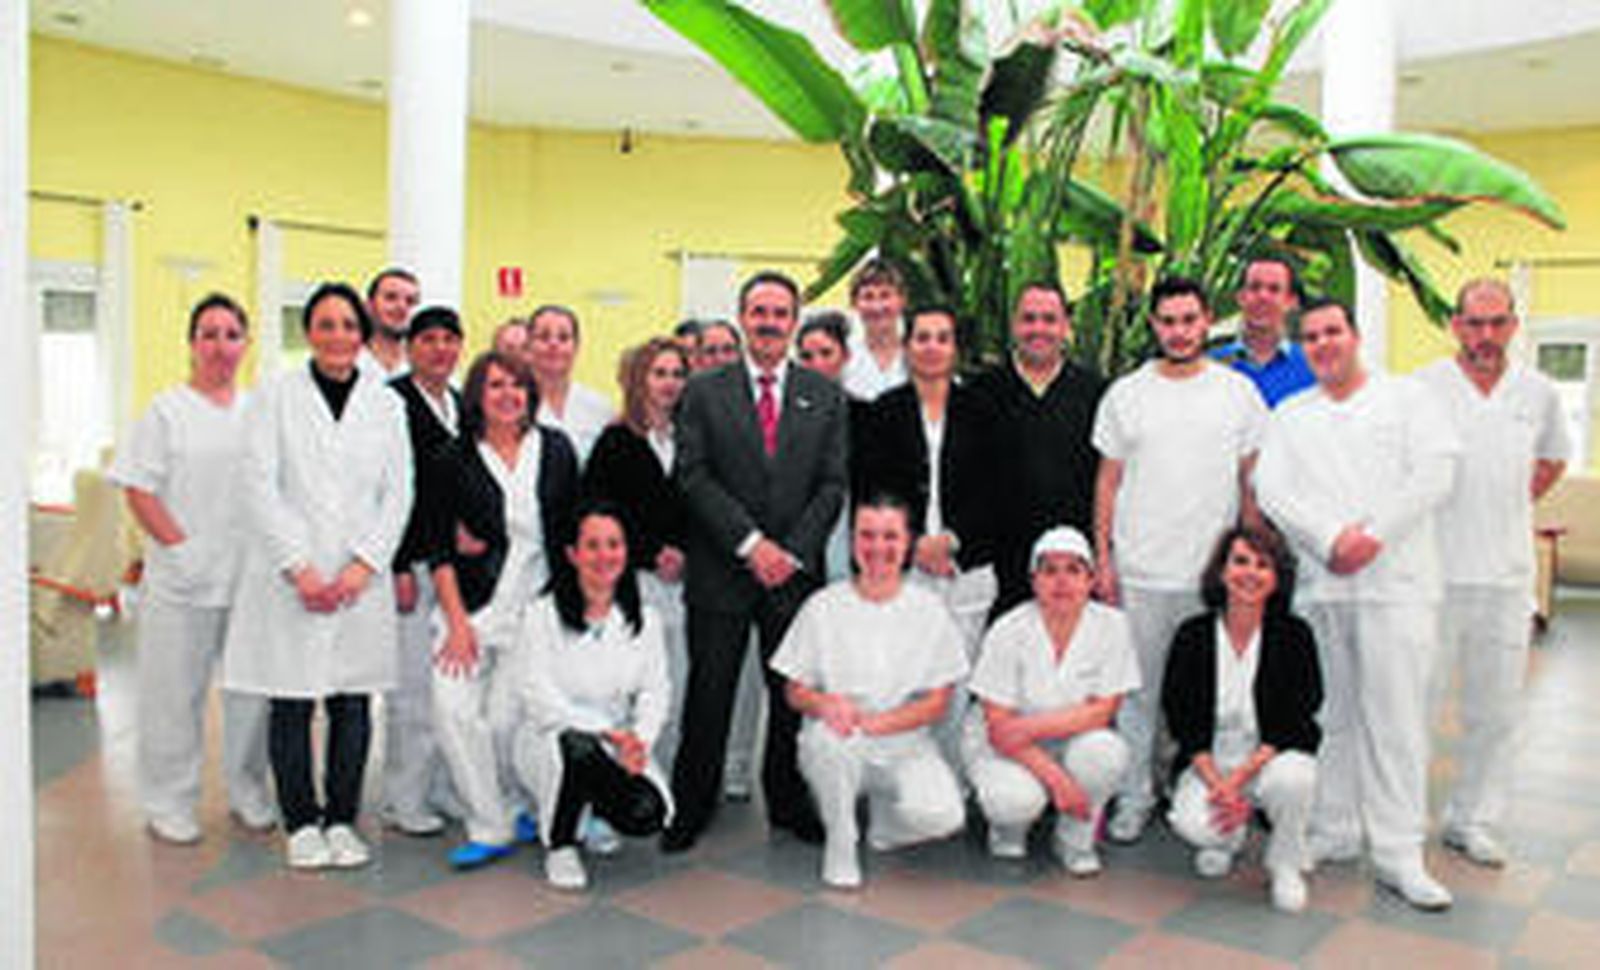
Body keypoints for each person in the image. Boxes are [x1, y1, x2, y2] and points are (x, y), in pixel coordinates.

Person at [1254, 298, 1460, 911]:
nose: (1323, 344)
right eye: (1311, 337)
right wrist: (1328, 539)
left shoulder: (1408, 400)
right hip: (1325, 584)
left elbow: (1435, 474)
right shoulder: (1292, 415)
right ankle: (1336, 828)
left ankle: (1399, 852)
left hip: (1396, 585)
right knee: (1332, 716)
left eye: (1332, 332)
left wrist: (1371, 536)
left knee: (1394, 721)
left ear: (1356, 335)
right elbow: (1272, 488)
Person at [223, 282, 412, 869]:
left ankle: (342, 819)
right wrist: (298, 566)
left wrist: (363, 564)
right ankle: (302, 821)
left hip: (360, 580)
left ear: (363, 333)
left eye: (348, 325)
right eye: (326, 325)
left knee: (354, 705)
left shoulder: (387, 403)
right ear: (309, 332)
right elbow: (257, 484)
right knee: (292, 703)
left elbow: (398, 492)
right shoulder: (274, 396)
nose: (338, 336)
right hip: (292, 579)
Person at [662, 270, 849, 853]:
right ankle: (692, 805)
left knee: (790, 699)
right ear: (743, 318)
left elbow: (832, 483)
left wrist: (789, 552)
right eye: (759, 311)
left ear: (793, 322)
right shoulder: (703, 390)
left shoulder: (825, 394)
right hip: (722, 570)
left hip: (793, 578)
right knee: (709, 695)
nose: (769, 322)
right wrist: (751, 544)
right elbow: (691, 475)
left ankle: (788, 803)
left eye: (779, 312)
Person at [1092, 277, 1268, 843]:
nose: (1179, 331)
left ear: (1206, 320)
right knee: (1138, 693)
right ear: (1154, 325)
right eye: (1168, 321)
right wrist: (1104, 557)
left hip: (1211, 574)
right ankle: (1134, 797)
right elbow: (1107, 482)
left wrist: (1248, 563)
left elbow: (1250, 484)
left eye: (1189, 320)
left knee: (1209, 693)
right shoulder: (1126, 394)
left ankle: (1203, 791)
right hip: (1141, 568)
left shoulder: (1237, 393)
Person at [1416, 278, 1570, 868]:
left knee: (1495, 710)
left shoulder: (1537, 392)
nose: (1485, 336)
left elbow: (1553, 459)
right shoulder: (1424, 389)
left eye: (1497, 323)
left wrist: (1510, 503)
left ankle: (1473, 820)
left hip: (1507, 578)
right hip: (1434, 576)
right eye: (1474, 324)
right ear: (1455, 324)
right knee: (1418, 706)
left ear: (1513, 325)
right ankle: (1403, 821)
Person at [110, 293, 274, 844]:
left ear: (246, 344)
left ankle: (248, 790)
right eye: (209, 333)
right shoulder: (166, 411)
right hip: (182, 579)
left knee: (251, 695)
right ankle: (168, 801)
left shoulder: (258, 411)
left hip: (249, 577)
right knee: (172, 696)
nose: (221, 345)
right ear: (192, 343)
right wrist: (182, 550)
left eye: (232, 334)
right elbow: (139, 489)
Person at [426, 351, 580, 869]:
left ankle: (517, 807)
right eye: (495, 385)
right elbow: (440, 549)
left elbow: (572, 532)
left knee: (504, 721)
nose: (508, 394)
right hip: (469, 606)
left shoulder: (555, 450)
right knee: (452, 707)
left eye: (517, 385)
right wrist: (457, 625)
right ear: (477, 395)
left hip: (536, 608)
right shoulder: (453, 457)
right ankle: (488, 825)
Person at [771, 495, 968, 888]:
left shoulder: (928, 609)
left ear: (908, 542)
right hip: (840, 737)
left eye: (890, 536)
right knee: (832, 744)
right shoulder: (823, 606)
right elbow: (793, 689)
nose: (878, 547)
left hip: (904, 741)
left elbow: (937, 702)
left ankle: (887, 822)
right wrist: (825, 703)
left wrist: (876, 724)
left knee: (945, 817)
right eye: (867, 536)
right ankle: (841, 843)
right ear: (851, 541)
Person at [1161, 526, 1322, 913]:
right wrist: (1221, 785)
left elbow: (1300, 715)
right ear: (1221, 570)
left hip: (1269, 759)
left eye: (1263, 565)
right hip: (1209, 765)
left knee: (1295, 779)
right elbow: (1180, 716)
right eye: (1240, 561)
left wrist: (1238, 782)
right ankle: (1227, 839)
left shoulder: (1295, 635)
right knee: (1193, 825)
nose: (1250, 573)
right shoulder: (1193, 635)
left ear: (1277, 577)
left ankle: (1284, 863)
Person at [514, 503, 673, 890]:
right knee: (578, 746)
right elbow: (536, 694)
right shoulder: (540, 615)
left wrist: (640, 739)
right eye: (593, 546)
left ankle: (596, 807)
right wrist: (605, 732)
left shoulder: (645, 619)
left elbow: (656, 689)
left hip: (621, 742)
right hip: (552, 736)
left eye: (614, 544)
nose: (605, 556)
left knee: (648, 813)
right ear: (573, 554)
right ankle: (562, 842)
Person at [859, 305, 996, 754]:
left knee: (956, 678)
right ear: (906, 346)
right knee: (903, 678)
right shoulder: (884, 412)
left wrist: (952, 541)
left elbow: (999, 488)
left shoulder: (982, 410)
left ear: (956, 349)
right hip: (905, 565)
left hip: (965, 564)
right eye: (922, 337)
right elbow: (871, 486)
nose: (932, 347)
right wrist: (914, 542)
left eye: (943, 338)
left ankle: (951, 783)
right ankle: (901, 779)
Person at [963, 527, 1136, 876]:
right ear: (1033, 579)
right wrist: (1060, 781)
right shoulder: (1008, 629)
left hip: (1059, 738)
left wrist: (1029, 727)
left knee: (1106, 753)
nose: (1062, 582)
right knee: (1014, 801)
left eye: (1074, 570)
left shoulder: (1112, 627)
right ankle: (1008, 831)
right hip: (1005, 747)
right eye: (1050, 570)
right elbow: (998, 729)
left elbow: (1105, 710)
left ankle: (1075, 839)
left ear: (1091, 579)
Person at [583, 338, 690, 766]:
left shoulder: (694, 441)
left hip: (683, 583)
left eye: (678, 374)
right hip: (631, 582)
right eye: (659, 373)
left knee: (673, 684)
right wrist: (648, 553)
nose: (669, 383)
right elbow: (599, 511)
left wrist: (682, 552)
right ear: (640, 378)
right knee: (622, 686)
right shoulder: (615, 441)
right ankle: (614, 781)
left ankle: (659, 776)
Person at [970, 282, 1105, 619]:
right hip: (1001, 567)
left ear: (1065, 326)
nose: (1038, 329)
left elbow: (1107, 479)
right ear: (1014, 325)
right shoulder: (980, 393)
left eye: (1049, 319)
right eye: (1029, 319)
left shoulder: (1096, 393)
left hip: (1072, 563)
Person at [381, 306, 465, 837]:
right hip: (411, 563)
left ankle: (439, 786)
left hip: (450, 566)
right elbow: (386, 489)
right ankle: (402, 797)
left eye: (449, 339)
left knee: (447, 688)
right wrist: (396, 564)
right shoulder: (391, 401)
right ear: (411, 346)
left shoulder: (459, 403)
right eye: (428, 339)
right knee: (409, 690)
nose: (440, 348)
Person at [1210, 257, 1314, 407]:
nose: (1263, 297)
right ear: (1240, 297)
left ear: (1292, 301)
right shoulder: (1213, 365)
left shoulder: (1314, 367)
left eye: (1274, 289)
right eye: (1254, 287)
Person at [528, 304, 615, 465]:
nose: (553, 344)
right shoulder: (514, 405)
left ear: (576, 346)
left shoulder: (600, 407)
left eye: (563, 338)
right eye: (543, 337)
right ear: (528, 346)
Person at [840, 259, 908, 400]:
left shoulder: (923, 352)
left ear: (902, 300)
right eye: (868, 297)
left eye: (885, 295)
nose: (877, 307)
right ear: (854, 303)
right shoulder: (843, 356)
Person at [361, 267, 421, 378]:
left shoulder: (424, 368)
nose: (402, 307)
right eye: (391, 298)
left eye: (410, 301)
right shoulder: (347, 362)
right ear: (368, 306)